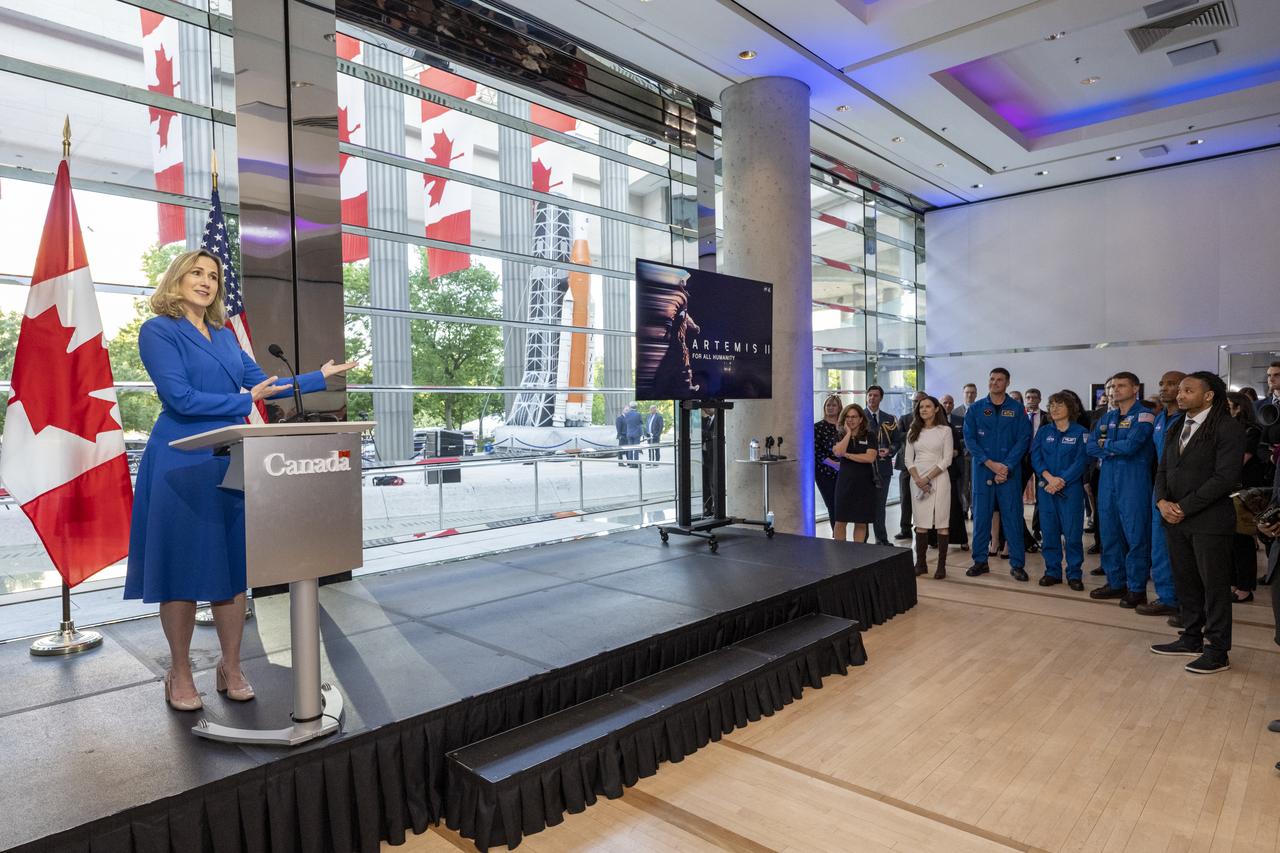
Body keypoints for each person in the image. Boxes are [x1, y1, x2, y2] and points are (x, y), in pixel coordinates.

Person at [125, 249, 356, 711]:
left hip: (228, 458)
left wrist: (316, 378)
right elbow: (180, 398)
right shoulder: (158, 331)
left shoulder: (226, 335)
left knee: (231, 570)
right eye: (197, 272)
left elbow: (261, 385)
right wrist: (240, 401)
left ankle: (231, 665)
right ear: (177, 279)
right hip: (180, 461)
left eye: (213, 275)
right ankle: (181, 672)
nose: (207, 281)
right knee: (182, 572)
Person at [1150, 372, 1245, 675]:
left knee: (1214, 587)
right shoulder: (1176, 425)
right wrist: (1162, 502)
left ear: (1208, 396)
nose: (1179, 395)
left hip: (1209, 520)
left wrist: (1183, 506)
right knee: (1186, 582)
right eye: (1179, 391)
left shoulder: (1227, 428)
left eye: (1188, 390)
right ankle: (1191, 637)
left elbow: (1225, 477)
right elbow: (1163, 469)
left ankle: (1217, 651)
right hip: (1175, 519)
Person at [1087, 372, 1156, 607]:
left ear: (1135, 388)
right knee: (1109, 534)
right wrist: (1112, 447)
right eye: (1113, 386)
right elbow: (1090, 446)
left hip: (1133, 482)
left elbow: (1133, 446)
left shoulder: (1145, 415)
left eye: (1121, 385)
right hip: (1107, 482)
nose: (1115, 390)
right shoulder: (1107, 418)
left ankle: (1137, 589)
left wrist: (1106, 445)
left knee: (1136, 536)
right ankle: (1116, 582)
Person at [964, 368, 1032, 581]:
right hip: (983, 470)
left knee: (1012, 517)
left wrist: (1006, 466)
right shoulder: (975, 409)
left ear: (1007, 383)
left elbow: (1023, 439)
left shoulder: (1017, 409)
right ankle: (980, 561)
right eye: (992, 379)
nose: (994, 383)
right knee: (981, 516)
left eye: (999, 380)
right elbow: (970, 439)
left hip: (1009, 473)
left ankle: (1017, 564)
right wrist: (991, 464)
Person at [1136, 371, 1187, 620]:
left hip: (1183, 490)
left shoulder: (1188, 418)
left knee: (1181, 551)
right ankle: (1167, 598)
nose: (1164, 388)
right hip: (1161, 488)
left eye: (1171, 384)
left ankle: (1187, 603)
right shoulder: (1159, 419)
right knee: (1159, 547)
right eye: (1162, 384)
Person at [1031, 392, 1089, 590]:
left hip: (1070, 492)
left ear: (1070, 408)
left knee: (1073, 535)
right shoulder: (1044, 431)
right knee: (1049, 533)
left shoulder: (1080, 432)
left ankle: (1074, 574)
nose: (1054, 408)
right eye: (1051, 405)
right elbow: (1035, 457)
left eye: (1059, 405)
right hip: (1047, 490)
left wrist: (1061, 480)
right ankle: (1052, 572)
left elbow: (1081, 460)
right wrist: (1049, 478)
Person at [905, 396, 954, 579]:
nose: (923, 409)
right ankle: (921, 564)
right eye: (921, 407)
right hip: (917, 479)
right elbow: (908, 459)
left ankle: (941, 566)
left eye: (927, 406)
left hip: (939, 478)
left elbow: (947, 459)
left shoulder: (945, 431)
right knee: (921, 523)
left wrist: (927, 478)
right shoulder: (913, 430)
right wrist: (918, 479)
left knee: (942, 522)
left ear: (936, 409)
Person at [1227, 392, 1264, 603]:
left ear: (1238, 407)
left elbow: (1239, 461)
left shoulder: (1251, 431)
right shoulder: (1228, 429)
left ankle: (1245, 587)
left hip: (1243, 491)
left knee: (1242, 540)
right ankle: (1234, 582)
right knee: (1231, 540)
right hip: (1228, 489)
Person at [831, 403, 879, 543]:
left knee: (861, 521)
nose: (850, 420)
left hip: (865, 483)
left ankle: (857, 553)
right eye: (847, 417)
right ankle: (840, 552)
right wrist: (848, 434)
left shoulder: (869, 435)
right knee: (840, 520)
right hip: (845, 483)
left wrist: (848, 455)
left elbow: (869, 457)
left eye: (854, 417)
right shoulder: (840, 435)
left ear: (860, 419)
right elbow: (839, 453)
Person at [863, 385, 900, 544]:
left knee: (880, 506)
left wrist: (890, 450)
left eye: (875, 395)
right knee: (862, 505)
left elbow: (898, 441)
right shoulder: (858, 416)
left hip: (883, 468)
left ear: (881, 398)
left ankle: (882, 539)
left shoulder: (890, 418)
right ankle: (861, 540)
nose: (872, 398)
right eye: (870, 395)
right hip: (863, 469)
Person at [895, 391, 928, 541]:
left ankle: (923, 528)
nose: (916, 404)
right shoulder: (905, 418)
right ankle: (905, 528)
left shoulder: (931, 419)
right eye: (915, 401)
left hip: (926, 465)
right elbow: (898, 437)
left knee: (925, 497)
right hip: (907, 466)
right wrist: (914, 433)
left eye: (920, 401)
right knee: (906, 498)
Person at [940, 395, 969, 552]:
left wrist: (946, 454)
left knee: (954, 506)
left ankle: (961, 539)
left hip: (949, 472)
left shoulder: (950, 427)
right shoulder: (924, 429)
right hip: (931, 474)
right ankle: (934, 539)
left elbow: (957, 450)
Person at [813, 395, 843, 532]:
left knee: (843, 506)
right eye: (828, 405)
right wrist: (833, 464)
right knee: (833, 505)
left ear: (839, 408)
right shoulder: (817, 427)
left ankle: (841, 535)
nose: (830, 408)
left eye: (834, 405)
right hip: (825, 473)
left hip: (844, 472)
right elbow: (816, 451)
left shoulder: (844, 428)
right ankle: (836, 536)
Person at [955, 383, 978, 515]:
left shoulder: (980, 410)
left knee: (975, 484)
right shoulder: (955, 412)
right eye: (967, 392)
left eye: (972, 392)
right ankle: (964, 509)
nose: (969, 395)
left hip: (976, 454)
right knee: (963, 484)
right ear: (963, 394)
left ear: (976, 394)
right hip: (961, 454)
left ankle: (975, 510)